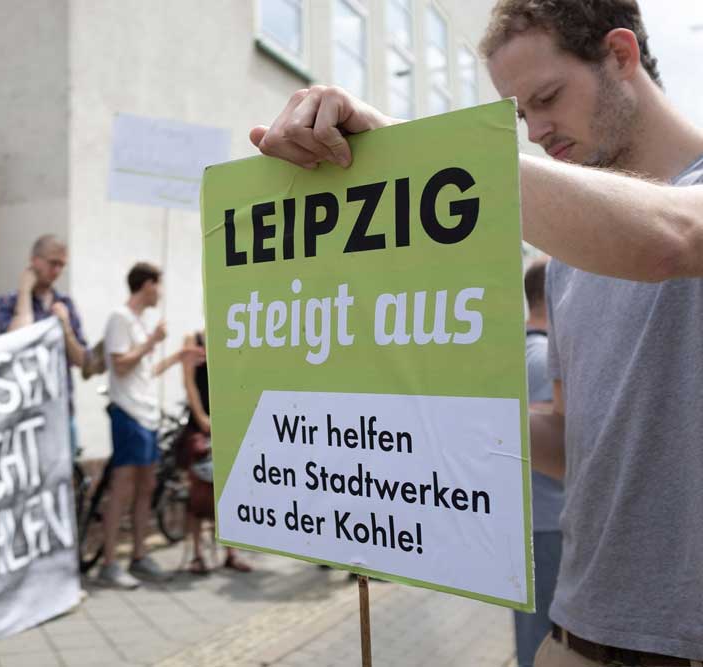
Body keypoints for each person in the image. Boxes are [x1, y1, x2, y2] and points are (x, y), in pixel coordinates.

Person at [251, 1, 703, 663]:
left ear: (621, 56)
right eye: (520, 115)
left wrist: (418, 153)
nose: (538, 130)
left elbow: (673, 238)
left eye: (547, 96)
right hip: (576, 634)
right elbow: (577, 442)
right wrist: (409, 420)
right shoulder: (566, 260)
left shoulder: (680, 210)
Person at [96, 262, 204, 589]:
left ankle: (140, 555)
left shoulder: (140, 323)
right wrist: (153, 341)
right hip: (128, 414)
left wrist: (177, 357)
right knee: (124, 488)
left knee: (146, 487)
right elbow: (119, 364)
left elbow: (144, 372)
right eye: (159, 285)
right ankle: (109, 562)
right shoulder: (120, 319)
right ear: (146, 285)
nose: (161, 293)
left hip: (146, 414)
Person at [514, 259, 564, 667]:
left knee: (531, 632)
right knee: (542, 635)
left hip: (526, 516)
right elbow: (556, 438)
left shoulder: (514, 351)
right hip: (547, 518)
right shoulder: (544, 356)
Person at [0, 234, 88, 452]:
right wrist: (25, 292)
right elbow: (15, 342)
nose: (57, 271)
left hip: (61, 409)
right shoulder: (8, 302)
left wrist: (65, 328)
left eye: (61, 266)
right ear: (35, 260)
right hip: (24, 411)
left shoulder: (65, 304)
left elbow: (83, 360)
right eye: (52, 263)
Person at [180, 330, 251, 575]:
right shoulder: (194, 339)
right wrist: (200, 416)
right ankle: (197, 555)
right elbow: (188, 381)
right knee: (198, 495)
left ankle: (231, 551)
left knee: (229, 493)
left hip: (225, 424)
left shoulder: (231, 336)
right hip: (201, 425)